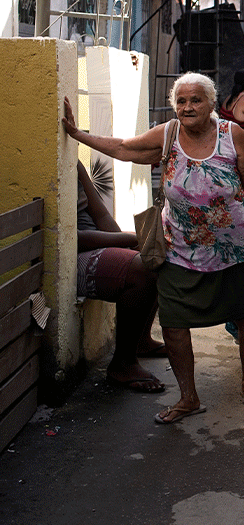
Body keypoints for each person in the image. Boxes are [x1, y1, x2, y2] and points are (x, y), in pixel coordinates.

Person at [62, 73, 244, 423]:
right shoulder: (167, 136)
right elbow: (122, 147)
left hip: (237, 247)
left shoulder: (232, 135)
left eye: (195, 100)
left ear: (212, 103)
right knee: (175, 322)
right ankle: (188, 398)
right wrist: (77, 135)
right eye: (181, 101)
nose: (188, 107)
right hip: (180, 247)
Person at [76, 161, 166, 393]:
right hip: (73, 255)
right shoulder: (42, 162)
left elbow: (102, 216)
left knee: (155, 254)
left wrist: (130, 245)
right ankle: (122, 365)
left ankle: (142, 342)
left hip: (95, 244)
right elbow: (70, 236)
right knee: (143, 268)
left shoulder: (72, 163)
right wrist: (129, 240)